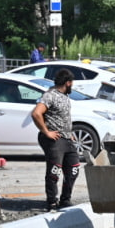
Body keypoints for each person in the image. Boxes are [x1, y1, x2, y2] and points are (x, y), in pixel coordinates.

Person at [31, 69, 81, 211]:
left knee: (73, 169)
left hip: (66, 138)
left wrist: (69, 133)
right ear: (68, 83)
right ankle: (52, 201)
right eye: (72, 83)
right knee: (54, 171)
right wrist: (46, 132)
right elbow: (36, 113)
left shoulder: (64, 96)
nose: (72, 86)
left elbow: (63, 117)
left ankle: (65, 200)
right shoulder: (50, 95)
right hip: (54, 139)